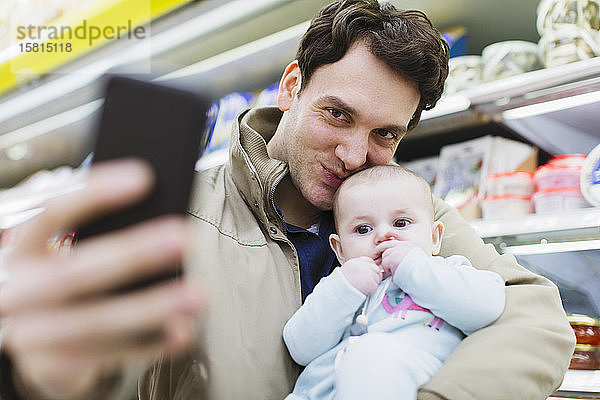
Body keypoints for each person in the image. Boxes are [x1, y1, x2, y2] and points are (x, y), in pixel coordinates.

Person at [0, 1, 574, 400]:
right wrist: (46, 379)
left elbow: (539, 320)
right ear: (294, 86)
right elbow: (105, 366)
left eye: (385, 135)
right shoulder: (184, 220)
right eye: (338, 114)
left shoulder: (408, 216)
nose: (354, 154)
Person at [283, 165, 506, 400]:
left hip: (405, 380)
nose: (383, 235)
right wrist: (344, 287)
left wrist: (413, 268)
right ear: (339, 250)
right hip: (319, 393)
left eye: (401, 223)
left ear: (434, 238)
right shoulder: (338, 287)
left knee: (373, 352)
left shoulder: (449, 271)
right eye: (363, 229)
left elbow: (487, 308)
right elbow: (300, 348)